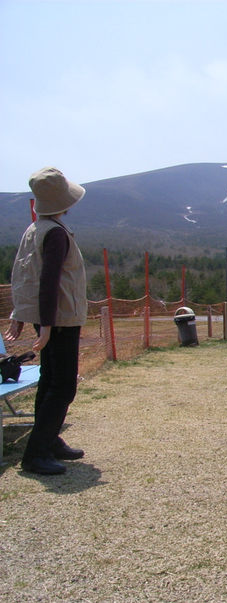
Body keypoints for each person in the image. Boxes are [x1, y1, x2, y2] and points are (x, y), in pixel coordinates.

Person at [3, 168, 88, 475]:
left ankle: (49, 440)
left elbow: (24, 277)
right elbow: (48, 282)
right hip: (60, 317)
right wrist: (49, 325)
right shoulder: (54, 233)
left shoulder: (36, 229)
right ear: (63, 202)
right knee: (63, 386)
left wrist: (23, 315)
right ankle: (36, 453)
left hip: (48, 317)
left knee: (49, 380)